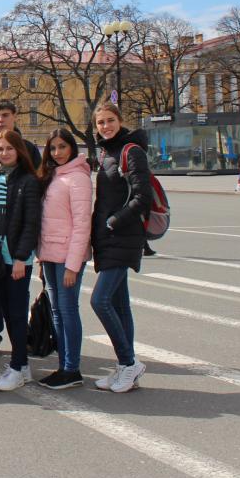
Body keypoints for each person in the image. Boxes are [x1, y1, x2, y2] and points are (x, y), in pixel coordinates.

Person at [90, 101, 152, 393]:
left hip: (123, 236)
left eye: (110, 120)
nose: (106, 126)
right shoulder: (105, 153)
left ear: (120, 120)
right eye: (101, 122)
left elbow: (143, 197)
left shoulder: (132, 151)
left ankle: (129, 363)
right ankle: (126, 368)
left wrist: (114, 221)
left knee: (99, 300)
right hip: (108, 237)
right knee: (119, 304)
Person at [0, 101, 40, 359]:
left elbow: (31, 214)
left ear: (14, 116)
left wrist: (23, 254)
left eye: (4, 115)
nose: (0, 120)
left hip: (15, 250)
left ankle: (19, 352)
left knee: (16, 303)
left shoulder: (30, 158)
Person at [0, 131, 42, 391]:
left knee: (17, 314)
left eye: (9, 149)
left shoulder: (28, 181)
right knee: (7, 312)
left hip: (16, 258)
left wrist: (21, 257)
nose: (4, 153)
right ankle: (23, 365)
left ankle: (18, 367)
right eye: (0, 149)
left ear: (19, 151)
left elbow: (32, 222)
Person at [36, 128, 92, 390]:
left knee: (68, 311)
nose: (57, 152)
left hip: (68, 257)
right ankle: (64, 365)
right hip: (49, 254)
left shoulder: (78, 178)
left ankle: (72, 368)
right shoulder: (52, 175)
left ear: (72, 148)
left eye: (62, 147)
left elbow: (82, 224)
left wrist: (73, 264)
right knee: (57, 311)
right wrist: (41, 255)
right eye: (53, 148)